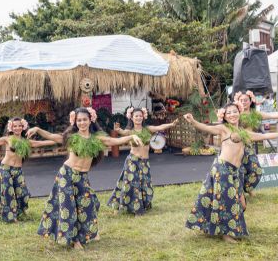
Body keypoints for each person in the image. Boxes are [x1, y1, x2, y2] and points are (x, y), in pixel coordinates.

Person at [27, 107, 143, 249]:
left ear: (90, 121)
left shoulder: (96, 138)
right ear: (75, 122)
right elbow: (54, 137)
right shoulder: (72, 138)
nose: (82, 123)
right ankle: (75, 241)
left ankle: (90, 232)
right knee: (69, 207)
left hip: (82, 176)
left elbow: (113, 141)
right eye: (79, 120)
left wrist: (131, 137)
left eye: (84, 120)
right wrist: (38, 129)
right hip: (67, 174)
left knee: (88, 204)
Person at [184, 102, 278, 243]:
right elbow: (204, 127)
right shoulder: (223, 129)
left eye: (235, 111)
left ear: (239, 113)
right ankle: (226, 233)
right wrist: (192, 121)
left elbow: (262, 136)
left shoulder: (244, 132)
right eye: (229, 113)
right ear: (225, 116)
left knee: (242, 204)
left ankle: (220, 225)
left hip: (236, 171)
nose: (232, 114)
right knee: (227, 201)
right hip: (222, 169)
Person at [0, 117, 56, 223]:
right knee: (9, 193)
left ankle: (20, 211)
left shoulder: (26, 141)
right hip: (5, 169)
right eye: (15, 126)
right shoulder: (7, 139)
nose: (17, 128)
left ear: (23, 127)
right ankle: (11, 217)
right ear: (11, 128)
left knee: (23, 193)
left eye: (19, 126)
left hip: (18, 170)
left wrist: (57, 140)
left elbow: (41, 143)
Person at [108, 107, 178, 215]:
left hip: (145, 162)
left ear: (143, 117)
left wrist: (171, 125)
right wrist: (117, 129)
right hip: (133, 160)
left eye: (140, 116)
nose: (138, 118)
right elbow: (121, 131)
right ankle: (129, 208)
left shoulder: (148, 129)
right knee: (131, 183)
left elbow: (159, 127)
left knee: (144, 183)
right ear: (132, 117)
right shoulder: (130, 132)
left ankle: (144, 204)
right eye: (136, 116)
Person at [233, 91, 278, 196]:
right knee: (239, 169)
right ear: (237, 101)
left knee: (256, 169)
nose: (243, 102)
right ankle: (239, 192)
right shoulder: (235, 114)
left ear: (250, 101)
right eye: (241, 100)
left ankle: (248, 188)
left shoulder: (255, 114)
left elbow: (271, 115)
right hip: (236, 146)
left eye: (246, 100)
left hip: (249, 146)